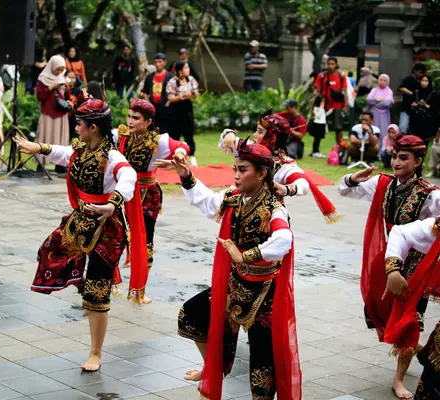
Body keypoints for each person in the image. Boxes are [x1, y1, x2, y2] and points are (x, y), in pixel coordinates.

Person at [13, 98, 148, 372]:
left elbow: (129, 177)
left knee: (98, 291)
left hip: (108, 227)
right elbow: (62, 153)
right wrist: (35, 147)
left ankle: (96, 351)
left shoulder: (113, 157)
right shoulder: (82, 150)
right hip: (81, 219)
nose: (76, 129)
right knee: (48, 251)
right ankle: (84, 287)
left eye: (79, 124)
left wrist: (113, 204)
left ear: (94, 128)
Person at [163, 139, 300, 400]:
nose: (236, 175)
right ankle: (213, 368)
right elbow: (208, 203)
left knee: (262, 371)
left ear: (261, 174)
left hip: (264, 294)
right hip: (235, 285)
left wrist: (244, 255)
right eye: (235, 169)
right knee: (191, 315)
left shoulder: (274, 208)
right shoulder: (234, 198)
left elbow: (284, 239)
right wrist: (185, 175)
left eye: (243, 169)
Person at [338, 133, 440, 399]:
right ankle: (417, 347)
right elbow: (344, 190)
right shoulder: (384, 184)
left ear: (418, 161)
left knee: (409, 318)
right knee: (377, 309)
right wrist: (353, 178)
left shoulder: (430, 194)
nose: (396, 162)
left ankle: (398, 378)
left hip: (416, 264)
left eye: (403, 158)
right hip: (388, 257)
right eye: (394, 156)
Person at [116, 98, 190, 303]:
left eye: (136, 118)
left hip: (147, 196)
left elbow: (182, 146)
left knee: (144, 241)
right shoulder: (122, 135)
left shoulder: (158, 141)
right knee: (115, 236)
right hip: (123, 193)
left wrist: (177, 156)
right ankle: (108, 281)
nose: (130, 121)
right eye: (129, 116)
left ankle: (140, 289)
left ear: (148, 122)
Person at [220, 110, 340, 223]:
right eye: (257, 130)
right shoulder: (248, 148)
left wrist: (285, 189)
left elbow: (303, 184)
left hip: (269, 219)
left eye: (260, 132)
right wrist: (229, 133)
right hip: (243, 213)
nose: (255, 135)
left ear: (273, 137)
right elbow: (226, 141)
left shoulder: (284, 164)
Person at [382, 217, 440, 399]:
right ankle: (418, 358)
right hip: (413, 272)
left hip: (427, 274)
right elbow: (400, 232)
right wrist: (393, 270)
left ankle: (420, 356)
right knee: (406, 324)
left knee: (410, 324)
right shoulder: (434, 225)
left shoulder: (432, 195)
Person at [35, 55, 72, 174]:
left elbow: (67, 96)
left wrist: (66, 89)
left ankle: (60, 164)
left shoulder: (62, 78)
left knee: (60, 139)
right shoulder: (43, 78)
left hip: (61, 114)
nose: (59, 72)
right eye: (58, 69)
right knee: (46, 136)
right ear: (52, 66)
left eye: (62, 69)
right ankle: (42, 163)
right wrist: (51, 86)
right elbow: (40, 96)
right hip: (48, 114)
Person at [166, 61, 199, 167]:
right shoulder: (172, 82)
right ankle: (173, 158)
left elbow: (195, 94)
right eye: (186, 68)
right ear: (180, 71)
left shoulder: (191, 80)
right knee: (174, 133)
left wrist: (192, 94)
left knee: (189, 131)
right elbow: (170, 99)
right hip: (175, 109)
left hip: (187, 107)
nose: (188, 70)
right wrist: (182, 96)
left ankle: (192, 156)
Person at [314, 56, 348, 144]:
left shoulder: (341, 76)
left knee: (338, 127)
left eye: (332, 64)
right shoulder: (321, 76)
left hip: (337, 105)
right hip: (323, 105)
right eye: (328, 64)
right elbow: (317, 91)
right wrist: (315, 105)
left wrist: (345, 106)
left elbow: (345, 92)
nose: (330, 66)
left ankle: (339, 147)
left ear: (336, 65)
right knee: (319, 125)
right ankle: (316, 149)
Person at [140, 53, 174, 134]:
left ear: (165, 63)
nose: (158, 64)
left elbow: (174, 91)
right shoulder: (149, 77)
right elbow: (145, 92)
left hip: (165, 107)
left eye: (160, 61)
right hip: (153, 107)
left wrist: (169, 102)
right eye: (155, 62)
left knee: (165, 129)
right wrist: (148, 103)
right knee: (152, 128)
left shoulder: (170, 76)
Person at [367, 73, 394, 155]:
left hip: (384, 115)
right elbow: (368, 100)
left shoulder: (389, 91)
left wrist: (375, 102)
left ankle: (381, 152)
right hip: (374, 114)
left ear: (387, 82)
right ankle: (371, 151)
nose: (382, 82)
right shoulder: (374, 90)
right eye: (381, 80)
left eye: (384, 80)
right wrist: (378, 100)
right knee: (373, 131)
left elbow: (387, 103)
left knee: (383, 132)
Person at [409, 75, 438, 144]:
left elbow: (435, 109)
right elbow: (410, 104)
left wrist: (425, 105)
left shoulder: (433, 94)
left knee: (424, 143)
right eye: (422, 81)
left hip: (427, 122)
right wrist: (414, 105)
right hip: (416, 121)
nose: (423, 83)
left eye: (426, 81)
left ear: (429, 82)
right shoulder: (416, 92)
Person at [398, 63, 426, 134]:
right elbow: (401, 88)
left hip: (419, 109)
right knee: (403, 128)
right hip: (406, 108)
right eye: (419, 72)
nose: (421, 74)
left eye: (422, 72)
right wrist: (412, 93)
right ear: (415, 71)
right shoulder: (409, 79)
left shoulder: (424, 81)